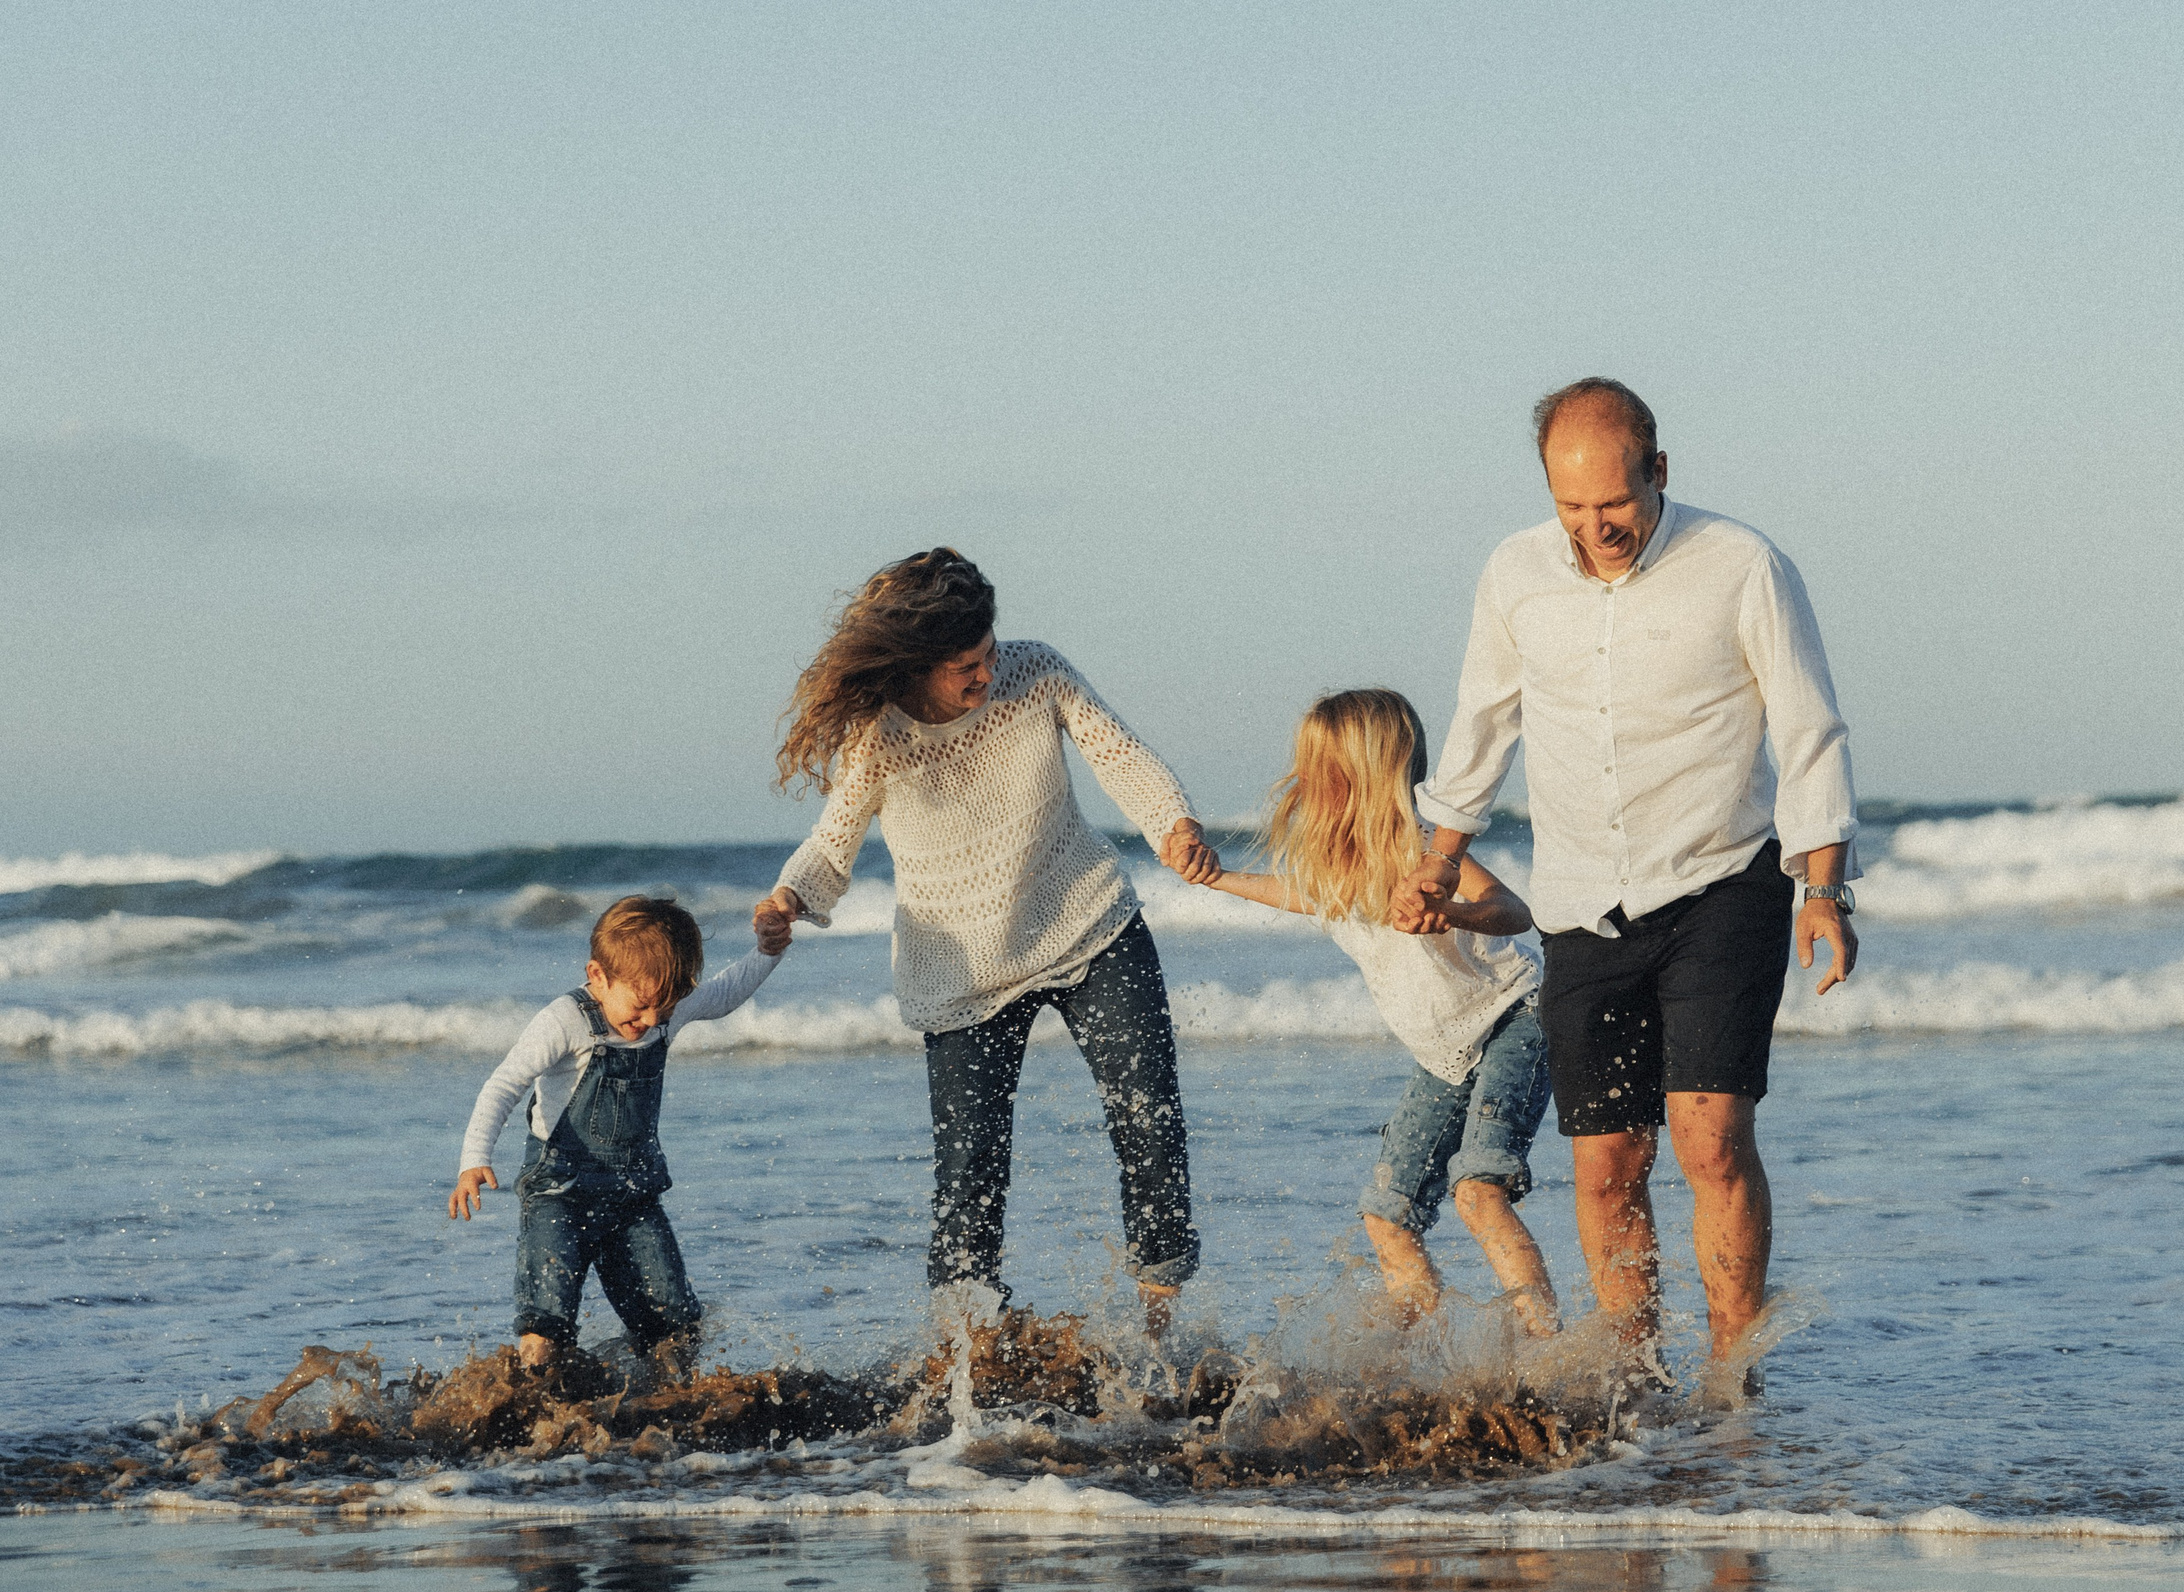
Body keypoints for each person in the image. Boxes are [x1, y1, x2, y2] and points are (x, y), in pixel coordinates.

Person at [1397, 377, 1862, 1379]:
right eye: (1572, 509)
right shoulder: (1515, 574)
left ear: (1658, 471)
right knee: (1606, 1165)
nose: (1594, 529)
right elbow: (1482, 722)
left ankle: (1733, 1376)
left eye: (1614, 505)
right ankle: (1636, 1382)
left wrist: (1823, 888)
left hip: (1720, 882)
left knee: (1710, 1142)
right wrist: (1435, 861)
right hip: (1580, 902)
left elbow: (1807, 726)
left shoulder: (1741, 565)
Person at [762, 548, 1218, 1335]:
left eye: (988, 653)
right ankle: (967, 1353)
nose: (985, 673)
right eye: (966, 665)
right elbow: (833, 845)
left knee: (1151, 1119)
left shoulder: (1035, 672)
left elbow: (1121, 755)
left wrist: (1173, 821)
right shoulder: (880, 736)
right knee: (970, 1172)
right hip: (962, 973)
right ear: (916, 666)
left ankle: (1160, 1326)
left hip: (1088, 923)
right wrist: (790, 897)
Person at [1203, 689, 1560, 1336]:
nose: (1306, 784)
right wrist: (1218, 877)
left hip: (1514, 1018)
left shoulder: (1423, 847)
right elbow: (1298, 895)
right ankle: (1426, 1344)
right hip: (1442, 1055)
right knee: (1388, 1215)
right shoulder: (1339, 865)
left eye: (1321, 772)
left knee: (1478, 1190)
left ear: (1362, 775)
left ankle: (1546, 1348)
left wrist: (1448, 910)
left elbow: (1514, 910)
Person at [448, 894, 793, 1371]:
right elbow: (505, 1082)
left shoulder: (663, 1008)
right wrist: (473, 1158)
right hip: (558, 1192)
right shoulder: (565, 1020)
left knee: (673, 1323)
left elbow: (725, 992)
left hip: (634, 1196)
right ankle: (531, 1414)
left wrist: (767, 953)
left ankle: (660, 1407)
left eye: (667, 1009)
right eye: (643, 1005)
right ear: (598, 977)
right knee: (546, 1322)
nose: (652, 1021)